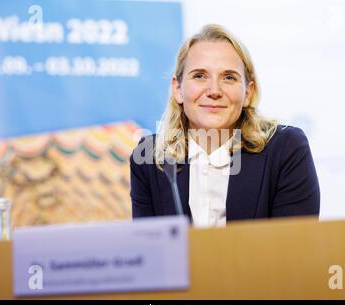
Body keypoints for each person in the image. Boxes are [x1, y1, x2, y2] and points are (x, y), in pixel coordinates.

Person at [130, 24, 320, 227]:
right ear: (178, 89)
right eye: (200, 76)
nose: (214, 90)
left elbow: (294, 250)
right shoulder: (149, 157)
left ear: (248, 92)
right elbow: (150, 251)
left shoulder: (286, 149)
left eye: (228, 77)